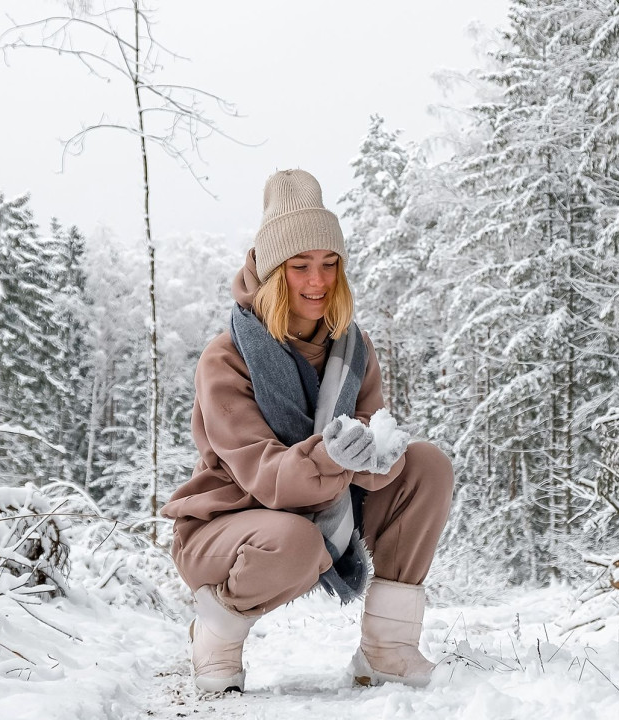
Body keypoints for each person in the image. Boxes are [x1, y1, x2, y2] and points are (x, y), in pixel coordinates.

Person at [161, 168, 454, 693]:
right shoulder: (226, 358)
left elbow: (369, 463)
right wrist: (332, 455)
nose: (317, 281)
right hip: (228, 526)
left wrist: (374, 457)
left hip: (322, 506)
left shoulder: (352, 350)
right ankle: (216, 630)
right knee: (295, 540)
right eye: (300, 266)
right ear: (274, 271)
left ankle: (387, 648)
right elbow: (263, 475)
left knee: (426, 464)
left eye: (328, 264)